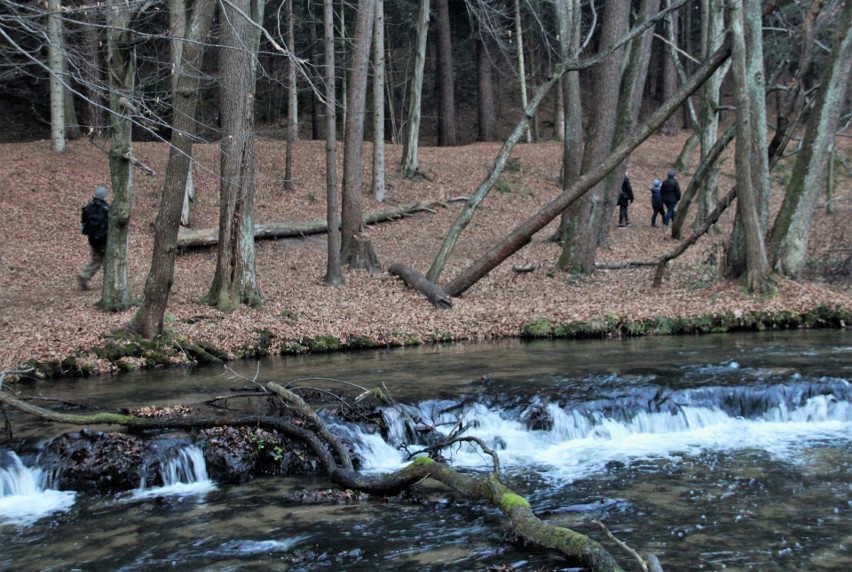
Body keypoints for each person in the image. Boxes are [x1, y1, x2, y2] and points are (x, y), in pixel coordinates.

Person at [78, 186, 110, 290]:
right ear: (104, 195)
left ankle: (85, 275)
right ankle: (110, 281)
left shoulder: (88, 207)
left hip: (92, 239)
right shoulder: (106, 208)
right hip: (104, 239)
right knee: (109, 259)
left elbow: (83, 224)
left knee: (97, 259)